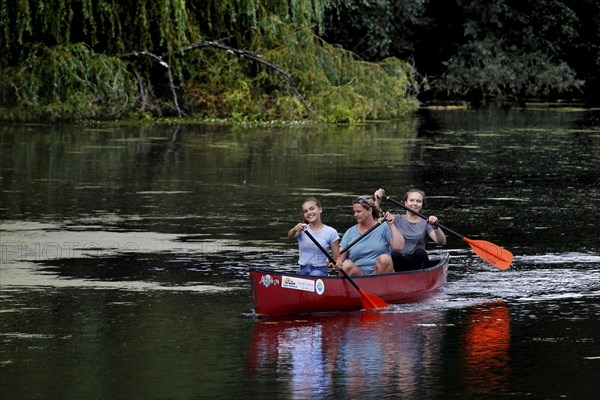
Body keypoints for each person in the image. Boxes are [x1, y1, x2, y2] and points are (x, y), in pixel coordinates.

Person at [374, 188, 446, 271]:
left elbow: (441, 242)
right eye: (411, 200)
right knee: (394, 255)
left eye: (418, 201)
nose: (415, 204)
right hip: (399, 264)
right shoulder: (395, 219)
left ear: (422, 205)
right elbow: (374, 219)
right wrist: (377, 200)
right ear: (405, 203)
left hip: (418, 264)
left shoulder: (427, 222)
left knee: (420, 252)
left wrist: (436, 226)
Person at [335, 196, 404, 276]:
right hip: (359, 277)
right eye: (354, 212)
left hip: (380, 273)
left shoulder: (384, 227)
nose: (355, 214)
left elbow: (399, 247)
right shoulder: (350, 232)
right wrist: (334, 261)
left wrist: (391, 225)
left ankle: (379, 286)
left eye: (358, 211)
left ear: (369, 210)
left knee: (385, 258)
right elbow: (339, 258)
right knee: (346, 264)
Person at [288, 197, 340, 276]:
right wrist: (295, 229)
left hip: (320, 271)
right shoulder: (302, 228)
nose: (309, 212)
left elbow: (336, 257)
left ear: (320, 209)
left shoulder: (331, 232)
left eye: (312, 209)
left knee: (315, 274)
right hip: (302, 270)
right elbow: (290, 236)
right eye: (305, 211)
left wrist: (337, 263)